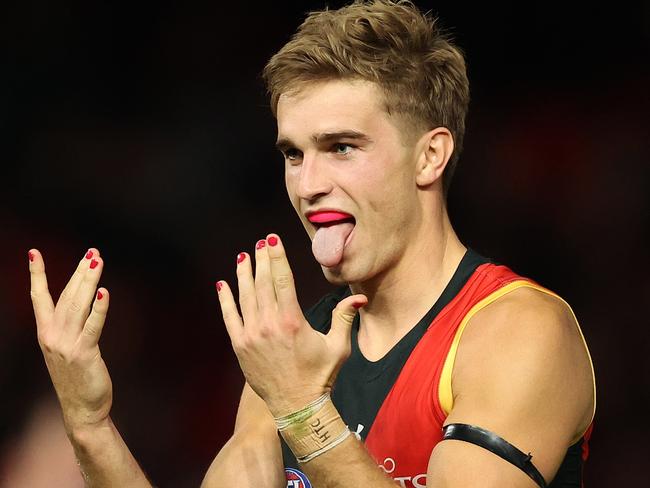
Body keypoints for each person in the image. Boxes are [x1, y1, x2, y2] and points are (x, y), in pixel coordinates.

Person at [27, 1, 596, 487]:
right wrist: (89, 426)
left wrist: (303, 411)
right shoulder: (291, 357)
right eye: (293, 154)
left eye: (342, 147)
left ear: (430, 155)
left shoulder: (519, 331)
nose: (307, 183)